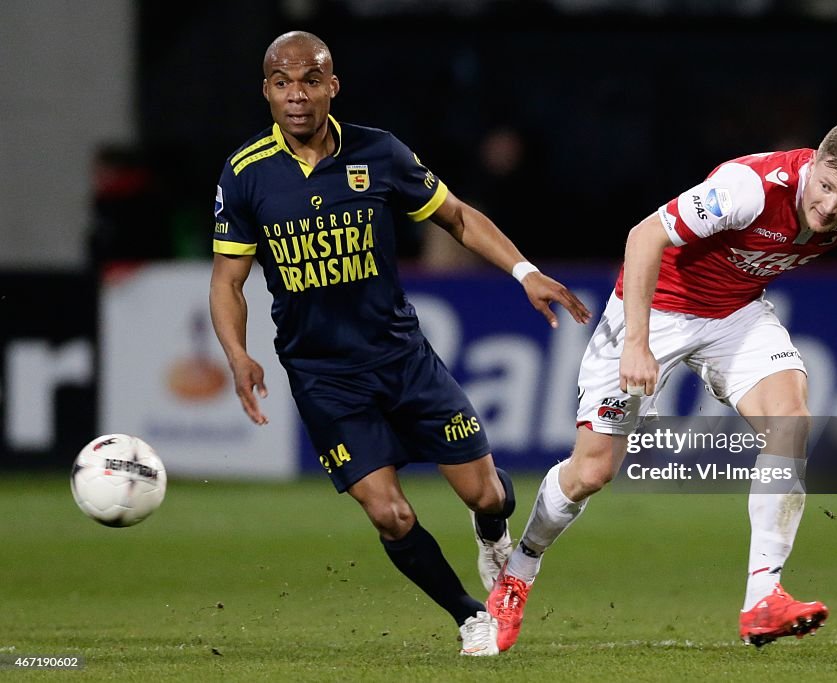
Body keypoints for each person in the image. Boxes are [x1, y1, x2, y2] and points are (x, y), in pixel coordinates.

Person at [208, 31, 592, 657]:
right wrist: (237, 352)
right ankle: (471, 615)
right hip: (324, 376)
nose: (296, 96)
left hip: (401, 359)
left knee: (487, 493)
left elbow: (458, 217)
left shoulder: (378, 153)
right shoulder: (246, 174)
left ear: (333, 86)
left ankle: (490, 531)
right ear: (266, 92)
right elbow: (227, 280)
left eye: (309, 81)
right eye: (282, 83)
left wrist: (525, 273)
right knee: (390, 514)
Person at [487, 116, 837, 649]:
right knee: (592, 471)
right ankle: (519, 570)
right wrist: (637, 341)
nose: (830, 208)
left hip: (734, 314)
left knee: (790, 422)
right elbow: (644, 236)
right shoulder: (748, 190)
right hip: (654, 308)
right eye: (825, 187)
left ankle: (763, 598)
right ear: (813, 162)